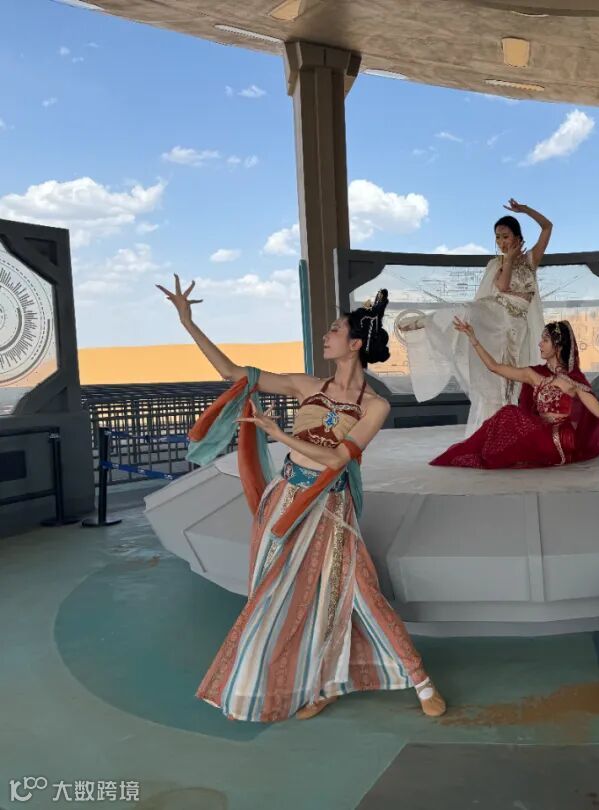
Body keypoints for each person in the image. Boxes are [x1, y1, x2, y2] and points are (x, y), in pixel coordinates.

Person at [156, 274, 446, 723]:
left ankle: (421, 680)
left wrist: (280, 434)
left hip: (330, 506)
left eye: (334, 329)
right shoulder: (305, 385)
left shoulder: (376, 406)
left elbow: (337, 460)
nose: (326, 335)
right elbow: (233, 374)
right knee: (281, 595)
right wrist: (187, 322)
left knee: (360, 591)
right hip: (284, 501)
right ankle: (320, 684)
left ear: (355, 344)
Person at [398, 199, 553, 434]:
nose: (501, 242)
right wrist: (509, 260)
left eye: (505, 236)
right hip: (496, 313)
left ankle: (508, 428)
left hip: (518, 324)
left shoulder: (531, 259)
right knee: (466, 312)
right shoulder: (498, 264)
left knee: (511, 378)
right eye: (497, 237)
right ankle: (425, 323)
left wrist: (525, 210)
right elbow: (502, 287)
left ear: (518, 237)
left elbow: (547, 227)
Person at [430, 317, 599, 469]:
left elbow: (598, 412)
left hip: (561, 439)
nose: (540, 344)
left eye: (545, 340)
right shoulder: (533, 375)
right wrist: (473, 339)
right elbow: (495, 367)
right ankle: (477, 453)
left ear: (558, 346)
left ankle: (485, 456)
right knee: (507, 415)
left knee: (510, 415)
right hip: (540, 430)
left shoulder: (571, 382)